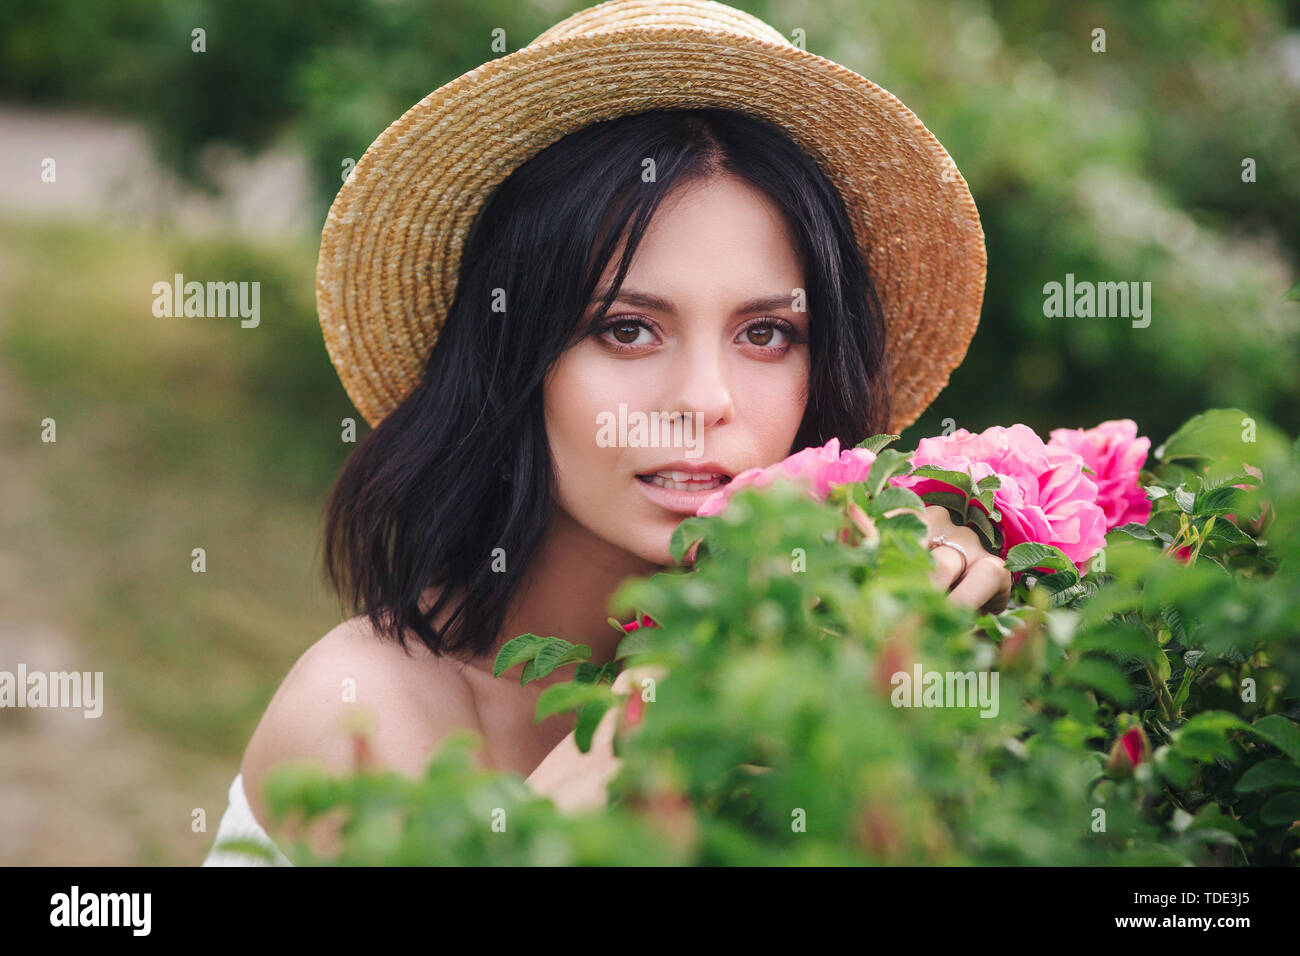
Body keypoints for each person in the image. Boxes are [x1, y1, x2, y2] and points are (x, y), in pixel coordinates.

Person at [202, 0, 1009, 866]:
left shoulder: (823, 674)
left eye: (766, 334)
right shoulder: (360, 716)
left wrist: (898, 597)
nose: (703, 400)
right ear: (517, 355)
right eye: (627, 329)